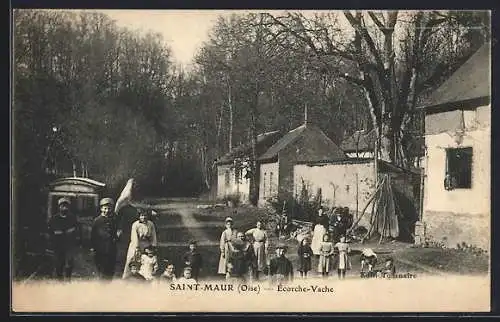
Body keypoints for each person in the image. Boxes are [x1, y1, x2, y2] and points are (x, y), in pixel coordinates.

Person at [46, 197, 81, 281]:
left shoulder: (72, 218)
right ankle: (60, 279)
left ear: (69, 207)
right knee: (59, 264)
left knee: (69, 263)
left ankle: (68, 278)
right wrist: (55, 234)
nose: (64, 208)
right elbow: (49, 231)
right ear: (59, 207)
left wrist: (75, 236)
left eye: (66, 206)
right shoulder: (54, 218)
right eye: (62, 206)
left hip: (69, 245)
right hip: (58, 245)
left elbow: (77, 230)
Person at [90, 198, 122, 281]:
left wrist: (118, 235)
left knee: (110, 271)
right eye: (105, 208)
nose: (107, 210)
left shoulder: (114, 219)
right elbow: (93, 236)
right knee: (102, 271)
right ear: (101, 209)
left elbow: (117, 232)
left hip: (111, 249)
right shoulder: (97, 221)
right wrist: (93, 248)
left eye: (109, 208)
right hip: (100, 250)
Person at [122, 208, 157, 279]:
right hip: (136, 244)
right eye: (141, 216)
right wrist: (136, 247)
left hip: (146, 244)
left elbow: (153, 235)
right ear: (138, 216)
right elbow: (134, 237)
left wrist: (153, 246)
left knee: (145, 260)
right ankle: (128, 277)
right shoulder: (135, 224)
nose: (143, 217)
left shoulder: (150, 224)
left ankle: (143, 277)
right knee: (133, 259)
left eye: (145, 216)